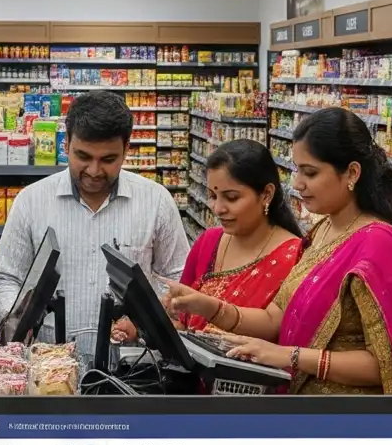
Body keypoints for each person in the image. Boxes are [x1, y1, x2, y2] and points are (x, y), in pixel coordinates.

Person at [164, 108, 392, 395]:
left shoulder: (379, 243)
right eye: (297, 170)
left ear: (351, 173)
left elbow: (385, 365)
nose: (297, 183)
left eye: (310, 172)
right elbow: (274, 319)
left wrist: (291, 356)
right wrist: (207, 307)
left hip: (345, 416)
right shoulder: (322, 231)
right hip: (300, 406)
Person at [0, 90, 190, 359]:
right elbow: (6, 277)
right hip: (48, 364)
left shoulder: (156, 201)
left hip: (132, 366)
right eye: (83, 156)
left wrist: (145, 323)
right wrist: (19, 322)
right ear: (66, 144)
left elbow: (178, 278)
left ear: (126, 149)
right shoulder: (31, 201)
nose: (94, 171)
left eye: (108, 159)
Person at [112, 139, 302, 343]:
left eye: (232, 198)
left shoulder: (294, 257)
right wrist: (142, 328)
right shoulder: (209, 242)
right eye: (212, 195)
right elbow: (184, 325)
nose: (218, 208)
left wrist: (211, 309)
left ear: (266, 194)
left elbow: (283, 334)